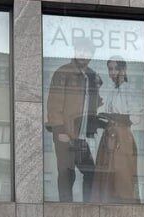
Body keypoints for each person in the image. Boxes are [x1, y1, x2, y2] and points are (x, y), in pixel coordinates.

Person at [45, 36, 102, 202]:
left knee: (90, 171)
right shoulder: (63, 72)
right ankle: (65, 207)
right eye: (80, 50)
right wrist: (59, 130)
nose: (83, 54)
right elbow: (54, 104)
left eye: (87, 51)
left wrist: (98, 89)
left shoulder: (91, 76)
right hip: (65, 134)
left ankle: (88, 206)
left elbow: (92, 105)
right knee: (66, 174)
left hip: (82, 136)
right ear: (75, 51)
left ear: (91, 54)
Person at [92, 57, 140, 204]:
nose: (112, 73)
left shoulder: (129, 89)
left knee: (122, 174)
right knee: (106, 174)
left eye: (115, 69)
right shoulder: (112, 92)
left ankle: (123, 200)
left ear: (123, 70)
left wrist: (112, 116)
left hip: (122, 136)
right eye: (110, 69)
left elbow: (136, 117)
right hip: (109, 135)